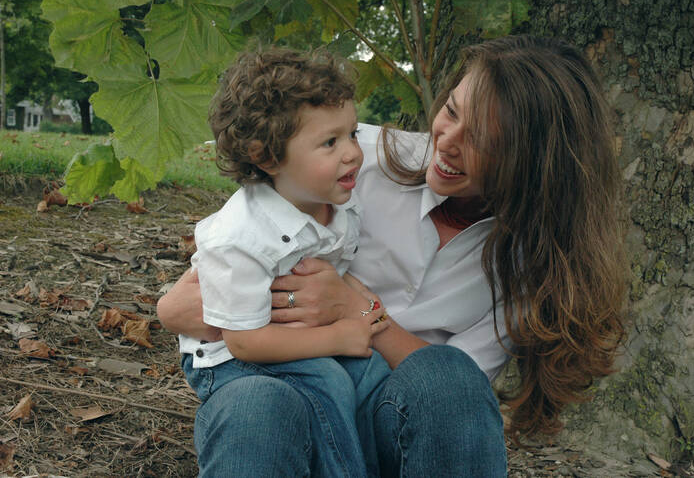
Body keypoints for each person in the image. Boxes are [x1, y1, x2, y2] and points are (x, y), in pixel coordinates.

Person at [158, 35, 627, 477]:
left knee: (448, 375)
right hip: (285, 393)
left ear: (535, 163)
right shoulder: (348, 156)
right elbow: (184, 306)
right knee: (255, 407)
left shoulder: (533, 265)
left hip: (403, 425)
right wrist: (300, 315)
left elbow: (459, 393)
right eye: (451, 110)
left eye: (482, 139)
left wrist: (358, 312)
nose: (446, 141)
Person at [178, 47, 391, 477]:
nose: (352, 153)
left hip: (294, 334)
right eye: (330, 142)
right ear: (268, 157)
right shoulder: (240, 236)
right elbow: (244, 342)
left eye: (352, 133)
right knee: (328, 381)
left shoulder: (338, 204)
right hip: (230, 357)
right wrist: (338, 338)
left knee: (372, 374)